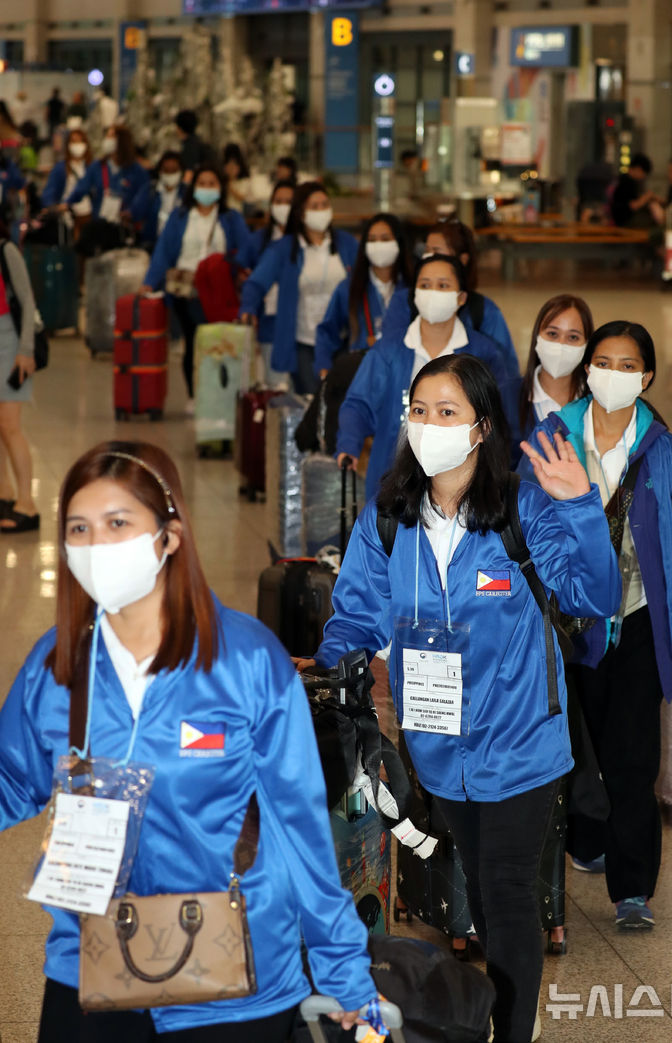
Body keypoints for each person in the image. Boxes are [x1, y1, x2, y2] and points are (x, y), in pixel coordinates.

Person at [0, 439, 378, 1041]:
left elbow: (298, 829)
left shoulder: (246, 661)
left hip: (236, 977)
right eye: (79, 528)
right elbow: (11, 778)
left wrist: (346, 975)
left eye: (118, 523)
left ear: (169, 535)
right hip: (91, 963)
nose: (97, 545)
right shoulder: (57, 665)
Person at [295, 353, 621, 1043]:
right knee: (472, 881)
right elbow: (356, 615)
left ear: (480, 428)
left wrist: (581, 507)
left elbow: (595, 596)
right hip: (438, 748)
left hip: (523, 743)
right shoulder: (390, 517)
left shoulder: (522, 510)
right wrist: (324, 671)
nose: (429, 423)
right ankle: (491, 1021)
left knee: (505, 893)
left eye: (447, 411)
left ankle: (511, 1029)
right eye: (419, 409)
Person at [521, 321, 672, 931]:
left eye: (628, 365)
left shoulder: (665, 453)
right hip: (566, 626)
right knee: (568, 751)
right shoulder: (553, 438)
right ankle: (582, 843)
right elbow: (525, 526)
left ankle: (631, 889)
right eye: (603, 362)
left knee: (632, 760)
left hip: (635, 625)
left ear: (648, 376)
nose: (614, 374)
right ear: (587, 372)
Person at [335, 254, 515, 499]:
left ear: (461, 297)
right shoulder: (387, 350)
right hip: (393, 474)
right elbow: (358, 403)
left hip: (462, 482)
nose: (433, 293)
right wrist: (349, 443)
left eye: (443, 286)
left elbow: (500, 417)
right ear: (415, 294)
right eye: (425, 285)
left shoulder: (484, 353)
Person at [140, 164, 250, 407]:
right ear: (193, 188)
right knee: (194, 340)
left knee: (219, 340)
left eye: (212, 183)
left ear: (220, 188)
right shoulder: (179, 217)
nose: (207, 188)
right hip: (186, 289)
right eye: (202, 183)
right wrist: (149, 282)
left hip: (220, 291)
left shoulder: (231, 219)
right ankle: (194, 394)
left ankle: (220, 393)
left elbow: (245, 249)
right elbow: (163, 252)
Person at [240, 181, 357, 394]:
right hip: (304, 340)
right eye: (314, 206)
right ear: (301, 214)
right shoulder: (284, 249)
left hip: (342, 338)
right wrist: (248, 307)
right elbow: (256, 282)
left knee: (342, 402)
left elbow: (363, 279)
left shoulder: (346, 244)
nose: (321, 211)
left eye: (324, 205)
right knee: (312, 400)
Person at [382, 220, 518, 376]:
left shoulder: (484, 311)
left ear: (463, 259)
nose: (429, 257)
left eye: (437, 251)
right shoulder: (403, 301)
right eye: (426, 250)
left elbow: (506, 372)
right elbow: (387, 355)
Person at [314, 212, 411, 378]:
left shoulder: (412, 287)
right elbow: (327, 330)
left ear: (398, 243)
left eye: (385, 238)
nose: (378, 245)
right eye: (372, 240)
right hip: (360, 373)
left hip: (404, 372)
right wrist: (324, 367)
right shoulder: (350, 287)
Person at [508, 294, 594, 452]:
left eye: (573, 337)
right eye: (553, 334)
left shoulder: (596, 401)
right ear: (537, 337)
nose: (561, 344)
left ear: (587, 345)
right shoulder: (505, 397)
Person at [0, 224, 40, 532]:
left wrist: (25, 350)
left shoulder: (6, 250)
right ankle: (4, 494)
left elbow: (27, 302)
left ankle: (28, 502)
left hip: (9, 340)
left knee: (10, 425)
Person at [244, 178, 295, 388]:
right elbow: (247, 279)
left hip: (301, 324)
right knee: (277, 386)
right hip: (269, 322)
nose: (283, 206)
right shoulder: (258, 240)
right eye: (278, 201)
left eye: (289, 201)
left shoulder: (306, 242)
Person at [64, 124, 149, 223]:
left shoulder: (137, 171)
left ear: (121, 141)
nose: (107, 140)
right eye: (107, 136)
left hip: (125, 226)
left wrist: (131, 212)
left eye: (110, 136)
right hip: (100, 224)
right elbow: (82, 187)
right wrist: (67, 203)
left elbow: (142, 196)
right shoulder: (97, 166)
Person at [129, 150, 184, 252]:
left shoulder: (186, 193)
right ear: (160, 171)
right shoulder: (150, 190)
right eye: (166, 170)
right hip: (151, 245)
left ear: (180, 172)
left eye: (174, 170)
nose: (170, 174)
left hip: (179, 246)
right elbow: (135, 213)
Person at [40, 128, 93, 228]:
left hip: (90, 214)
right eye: (73, 141)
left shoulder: (92, 167)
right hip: (68, 215)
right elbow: (50, 190)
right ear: (68, 144)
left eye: (80, 141)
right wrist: (51, 206)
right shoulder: (61, 168)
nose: (77, 145)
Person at [610, 154, 663, 229]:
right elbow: (633, 206)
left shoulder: (622, 178)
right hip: (624, 221)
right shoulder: (628, 182)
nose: (643, 177)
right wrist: (647, 197)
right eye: (644, 174)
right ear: (638, 169)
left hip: (617, 218)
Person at [175, 109, 215, 180]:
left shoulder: (190, 145)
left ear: (180, 128)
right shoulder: (198, 142)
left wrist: (184, 188)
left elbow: (189, 171)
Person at [224, 143, 252, 211]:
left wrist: (229, 184)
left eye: (234, 166)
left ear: (239, 167)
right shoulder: (222, 180)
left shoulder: (244, 181)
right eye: (228, 166)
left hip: (237, 212)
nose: (231, 169)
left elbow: (241, 197)